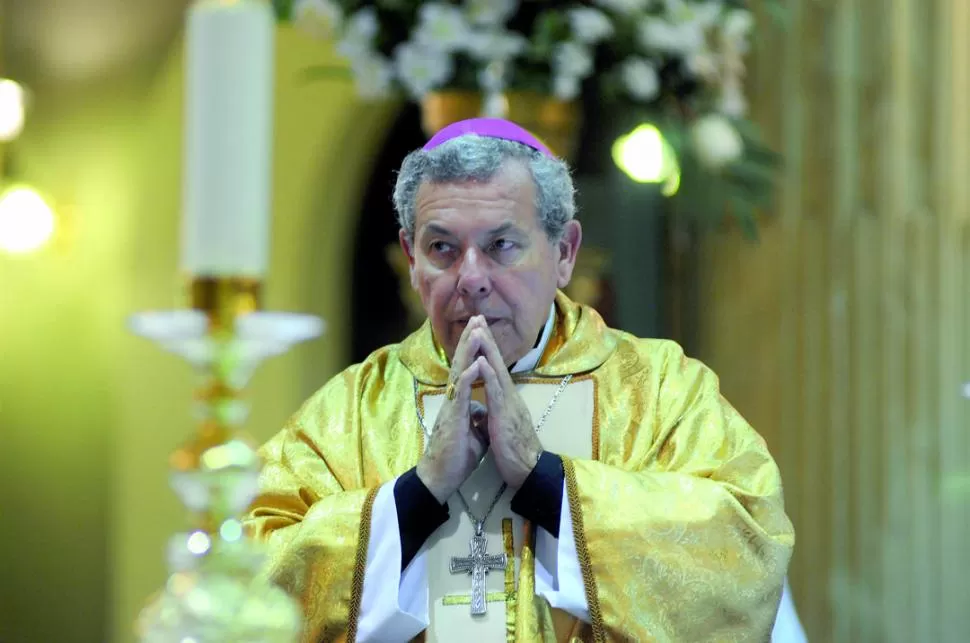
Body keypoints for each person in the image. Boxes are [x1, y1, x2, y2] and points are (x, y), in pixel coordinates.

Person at [245, 117, 795, 642]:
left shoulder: (661, 391)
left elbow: (746, 545)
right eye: (442, 249)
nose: (472, 279)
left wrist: (546, 482)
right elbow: (249, 577)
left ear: (564, 253)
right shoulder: (351, 409)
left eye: (502, 245)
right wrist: (417, 494)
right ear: (411, 258)